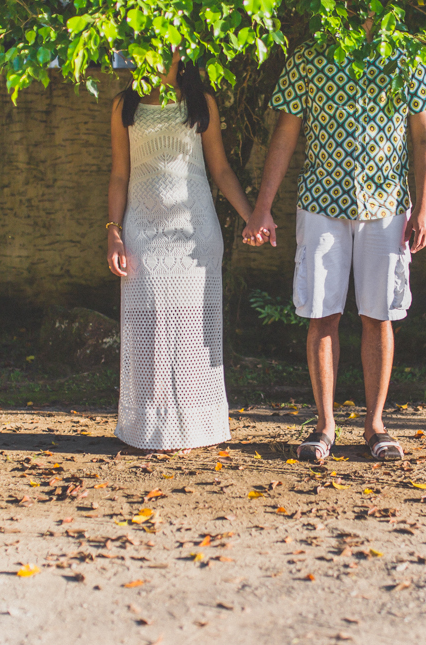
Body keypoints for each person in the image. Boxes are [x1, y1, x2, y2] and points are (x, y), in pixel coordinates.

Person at [243, 36, 426, 462]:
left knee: (379, 315)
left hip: (387, 206)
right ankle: (324, 427)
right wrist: (262, 207)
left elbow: (424, 137)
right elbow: (285, 135)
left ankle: (376, 426)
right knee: (321, 314)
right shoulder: (309, 54)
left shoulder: (407, 57)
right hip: (320, 203)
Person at [107, 50, 254, 452]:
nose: (156, 52)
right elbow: (119, 174)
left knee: (191, 334)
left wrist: (252, 217)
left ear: (181, 51)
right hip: (142, 231)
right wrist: (113, 232)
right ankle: (148, 429)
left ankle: (193, 429)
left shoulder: (201, 103)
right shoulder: (124, 106)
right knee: (149, 332)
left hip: (194, 233)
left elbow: (220, 169)